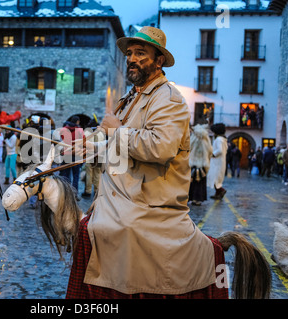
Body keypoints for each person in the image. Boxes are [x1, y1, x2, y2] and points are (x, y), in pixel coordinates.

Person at [66, 27, 228, 299]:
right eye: (129, 53)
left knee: (98, 229)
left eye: (140, 53)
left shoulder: (169, 99)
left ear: (159, 60)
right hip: (121, 196)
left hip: (149, 202)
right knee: (86, 226)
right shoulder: (133, 97)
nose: (131, 59)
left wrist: (116, 130)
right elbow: (123, 147)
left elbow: (160, 147)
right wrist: (91, 145)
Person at [59, 115, 84, 199]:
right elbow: (83, 141)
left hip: (66, 154)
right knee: (76, 175)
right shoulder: (80, 130)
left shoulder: (63, 130)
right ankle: (74, 194)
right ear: (77, 122)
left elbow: (62, 139)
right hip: (76, 154)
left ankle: (66, 193)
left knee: (66, 175)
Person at [188, 124, 213, 206]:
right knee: (200, 182)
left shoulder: (193, 138)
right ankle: (198, 199)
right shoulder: (206, 139)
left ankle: (191, 197)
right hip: (203, 164)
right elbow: (210, 151)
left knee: (192, 181)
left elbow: (189, 148)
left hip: (193, 163)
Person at [207, 123, 228, 200]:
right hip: (219, 162)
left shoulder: (219, 139)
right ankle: (217, 193)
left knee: (215, 178)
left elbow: (219, 150)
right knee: (216, 178)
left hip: (217, 162)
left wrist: (212, 154)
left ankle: (221, 191)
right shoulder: (222, 139)